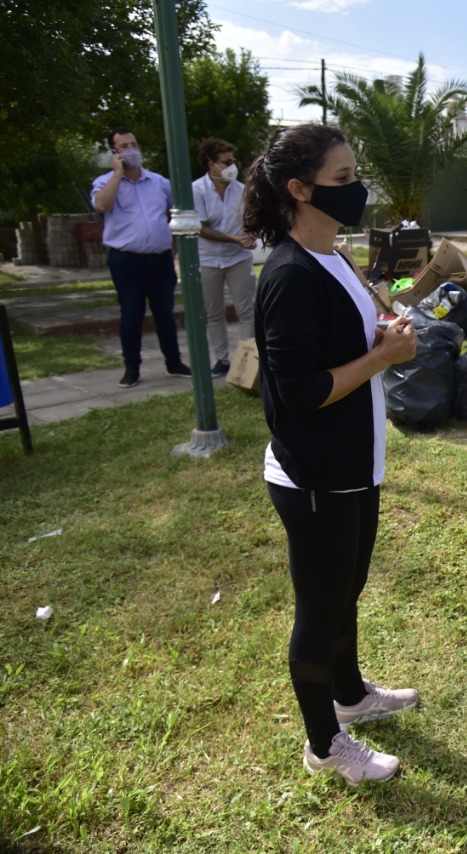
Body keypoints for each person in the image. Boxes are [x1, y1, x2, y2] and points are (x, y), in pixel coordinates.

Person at [242, 124, 420, 784]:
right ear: (299, 189)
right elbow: (299, 392)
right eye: (342, 179)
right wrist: (382, 357)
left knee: (347, 593)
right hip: (315, 474)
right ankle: (324, 744)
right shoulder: (290, 276)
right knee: (319, 613)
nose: (356, 189)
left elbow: (338, 344)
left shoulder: (335, 257)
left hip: (355, 465)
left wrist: (382, 334)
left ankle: (349, 694)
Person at [92, 128, 191, 388]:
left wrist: (171, 243)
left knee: (165, 314)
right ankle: (132, 368)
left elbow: (174, 212)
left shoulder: (159, 182)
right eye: (124, 146)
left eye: (134, 144)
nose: (131, 150)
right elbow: (101, 205)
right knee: (131, 315)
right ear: (114, 152)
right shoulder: (105, 182)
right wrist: (117, 174)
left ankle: (174, 362)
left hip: (160, 260)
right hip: (127, 261)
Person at [193, 137, 257, 376]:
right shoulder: (196, 189)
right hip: (208, 259)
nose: (232, 166)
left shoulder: (242, 190)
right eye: (226, 162)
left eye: (233, 161)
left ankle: (247, 361)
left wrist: (251, 234)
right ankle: (222, 360)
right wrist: (234, 239)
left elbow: (253, 221)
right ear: (211, 164)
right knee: (214, 312)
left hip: (238, 258)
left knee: (246, 310)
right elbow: (201, 228)